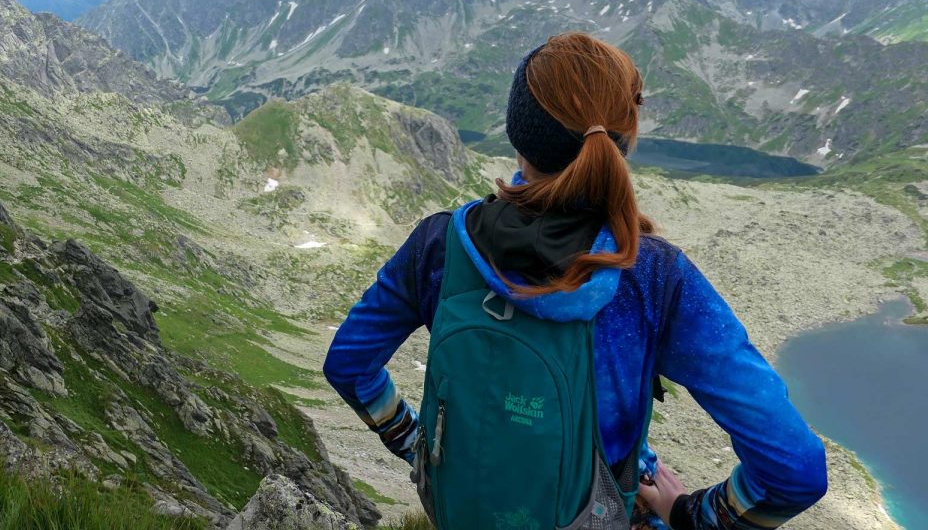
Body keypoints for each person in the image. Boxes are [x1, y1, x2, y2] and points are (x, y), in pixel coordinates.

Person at [322, 32, 828, 529]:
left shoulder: (440, 244)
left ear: (516, 132)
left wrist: (417, 445)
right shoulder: (653, 275)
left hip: (462, 504)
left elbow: (348, 366)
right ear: (622, 141)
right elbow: (795, 472)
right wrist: (688, 514)